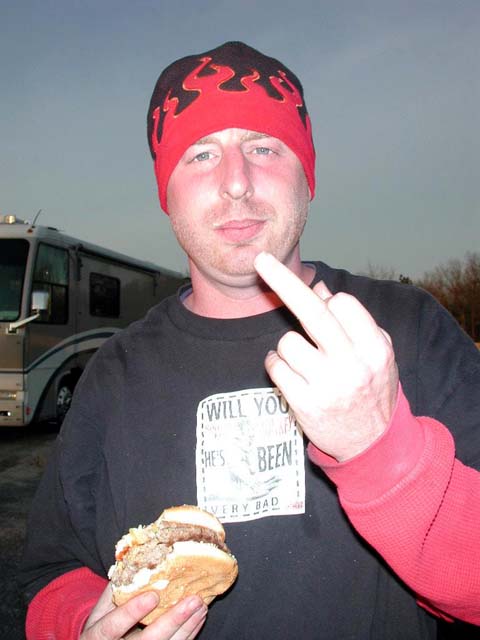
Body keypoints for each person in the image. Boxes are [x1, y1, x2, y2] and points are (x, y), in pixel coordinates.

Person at [20, 41, 480, 640]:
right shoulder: (114, 371)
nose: (236, 182)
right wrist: (89, 624)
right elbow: (49, 573)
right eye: (201, 154)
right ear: (166, 194)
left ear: (307, 176)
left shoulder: (407, 327)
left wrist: (380, 449)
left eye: (264, 147)